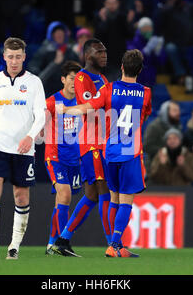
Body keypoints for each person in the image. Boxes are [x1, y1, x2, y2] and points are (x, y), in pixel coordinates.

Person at [55, 49, 152, 258]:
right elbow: (144, 114)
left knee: (111, 197)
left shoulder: (109, 88)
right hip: (130, 152)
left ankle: (108, 244)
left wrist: (65, 110)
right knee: (124, 200)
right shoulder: (146, 92)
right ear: (141, 70)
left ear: (122, 67)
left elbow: (88, 107)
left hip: (109, 151)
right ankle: (115, 244)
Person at [0, 37, 46, 260]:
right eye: (10, 57)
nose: (14, 61)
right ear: (4, 57)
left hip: (24, 149)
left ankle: (14, 246)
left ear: (24, 57)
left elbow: (41, 115)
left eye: (18, 57)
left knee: (21, 196)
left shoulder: (34, 82)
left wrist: (30, 137)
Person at [51, 38, 112, 257]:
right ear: (88, 56)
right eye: (99, 51)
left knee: (92, 195)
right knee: (104, 189)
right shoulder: (82, 78)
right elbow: (89, 108)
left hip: (101, 140)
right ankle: (113, 244)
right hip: (91, 141)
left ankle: (63, 239)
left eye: (105, 51)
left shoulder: (103, 78)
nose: (104, 54)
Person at [44, 61, 83, 255]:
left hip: (74, 159)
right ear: (63, 80)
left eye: (77, 78)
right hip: (55, 156)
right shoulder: (52, 102)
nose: (74, 82)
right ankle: (62, 243)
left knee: (61, 200)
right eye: (70, 78)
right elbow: (38, 122)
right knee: (65, 195)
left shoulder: (83, 104)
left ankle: (51, 244)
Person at [27, 21, 80, 97]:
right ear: (51, 36)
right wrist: (55, 63)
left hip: (67, 95)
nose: (60, 35)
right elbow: (38, 79)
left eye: (62, 34)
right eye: (57, 34)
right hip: (47, 94)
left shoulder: (70, 52)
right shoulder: (43, 51)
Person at [94, 0, 134, 81]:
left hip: (120, 59)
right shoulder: (99, 18)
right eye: (109, 3)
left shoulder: (122, 17)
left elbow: (130, 35)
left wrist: (129, 22)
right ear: (105, 4)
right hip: (105, 60)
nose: (111, 5)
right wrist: (104, 21)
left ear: (118, 4)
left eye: (114, 3)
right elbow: (97, 38)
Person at [143, 100, 181, 172]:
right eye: (175, 110)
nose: (178, 113)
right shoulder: (154, 126)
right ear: (165, 112)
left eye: (178, 110)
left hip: (174, 169)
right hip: (156, 168)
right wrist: (165, 151)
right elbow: (146, 146)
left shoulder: (178, 126)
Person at [127, 17, 164, 88]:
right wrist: (145, 51)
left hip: (150, 79)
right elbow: (132, 58)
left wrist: (158, 52)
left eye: (149, 28)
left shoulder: (154, 41)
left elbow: (160, 62)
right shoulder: (133, 40)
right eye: (145, 28)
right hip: (136, 79)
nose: (148, 30)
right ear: (140, 29)